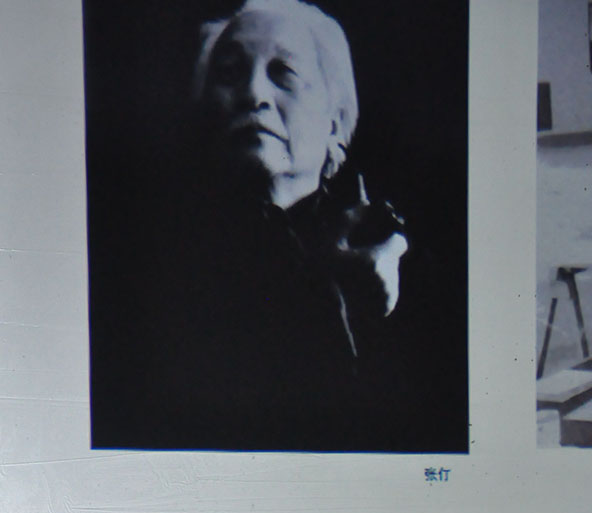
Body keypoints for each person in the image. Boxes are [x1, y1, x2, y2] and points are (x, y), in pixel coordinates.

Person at [88, 0, 430, 454]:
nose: (253, 93)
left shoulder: (389, 251)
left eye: (284, 72)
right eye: (229, 73)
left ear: (335, 121)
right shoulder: (151, 264)